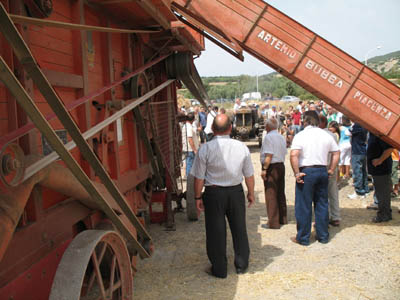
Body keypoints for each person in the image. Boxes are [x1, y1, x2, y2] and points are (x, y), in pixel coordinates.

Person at [191, 114, 255, 278]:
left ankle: (219, 269)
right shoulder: (241, 147)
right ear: (230, 128)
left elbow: (199, 177)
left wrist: (197, 198)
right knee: (239, 228)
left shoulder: (205, 149)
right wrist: (251, 193)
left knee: (215, 231)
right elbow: (249, 175)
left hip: (213, 193)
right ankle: (241, 264)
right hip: (235, 192)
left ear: (212, 129)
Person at [290, 111, 340, 245]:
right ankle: (323, 236)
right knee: (322, 204)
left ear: (305, 121)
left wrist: (296, 173)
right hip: (322, 170)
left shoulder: (300, 135)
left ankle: (303, 237)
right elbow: (336, 153)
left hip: (306, 171)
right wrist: (331, 169)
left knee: (304, 205)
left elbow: (294, 154)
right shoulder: (326, 135)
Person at [260, 118, 287, 229]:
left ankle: (273, 222)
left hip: (272, 166)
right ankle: (282, 218)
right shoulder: (281, 137)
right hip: (281, 165)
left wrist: (264, 169)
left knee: (271, 194)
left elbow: (269, 155)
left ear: (268, 126)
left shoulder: (268, 137)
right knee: (280, 192)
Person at [366, 134, 393, 223]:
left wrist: (379, 160)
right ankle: (385, 213)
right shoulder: (373, 134)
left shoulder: (380, 136)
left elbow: (389, 149)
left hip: (382, 169)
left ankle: (384, 215)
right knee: (381, 192)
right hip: (377, 170)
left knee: (383, 193)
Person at [319, 115, 341, 226]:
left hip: (321, 165)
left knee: (321, 193)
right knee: (333, 192)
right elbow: (336, 152)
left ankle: (323, 217)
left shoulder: (317, 135)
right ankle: (336, 216)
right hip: (332, 165)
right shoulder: (332, 135)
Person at [347, 123, 369, 199]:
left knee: (357, 172)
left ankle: (359, 192)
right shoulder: (364, 125)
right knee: (363, 171)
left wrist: (352, 125)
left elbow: (347, 132)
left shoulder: (357, 125)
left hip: (357, 151)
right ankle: (365, 189)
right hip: (362, 150)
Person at [181, 112, 199, 177]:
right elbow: (190, 139)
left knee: (190, 164)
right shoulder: (188, 127)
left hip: (189, 149)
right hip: (190, 150)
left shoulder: (187, 126)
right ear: (193, 119)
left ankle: (190, 179)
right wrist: (194, 150)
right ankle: (190, 180)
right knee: (190, 165)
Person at [338, 116, 352, 180]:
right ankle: (347, 173)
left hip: (342, 144)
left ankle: (341, 173)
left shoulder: (341, 128)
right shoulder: (350, 127)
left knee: (341, 159)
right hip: (349, 143)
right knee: (348, 159)